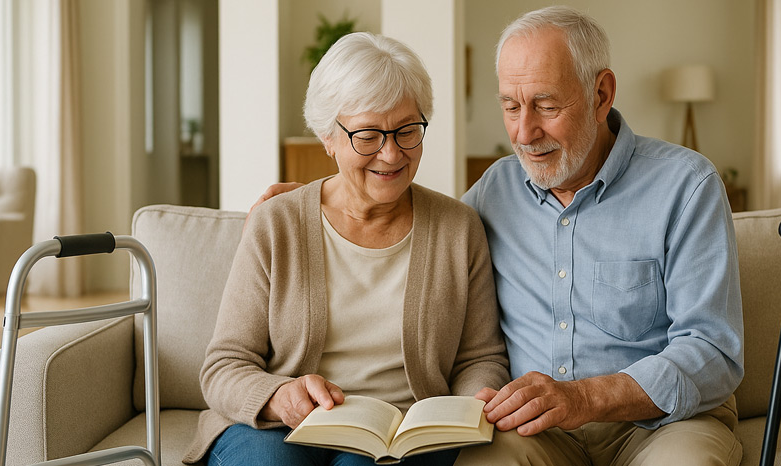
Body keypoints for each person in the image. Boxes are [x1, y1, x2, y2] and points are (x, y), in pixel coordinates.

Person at [251, 7, 744, 465]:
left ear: (601, 95)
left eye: (545, 105)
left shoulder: (686, 186)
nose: (525, 132)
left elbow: (714, 352)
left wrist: (586, 397)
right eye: (511, 106)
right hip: (535, 430)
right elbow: (418, 223)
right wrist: (330, 197)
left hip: (662, 424)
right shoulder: (495, 191)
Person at [183, 32, 510, 466]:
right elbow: (225, 365)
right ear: (328, 137)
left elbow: (480, 357)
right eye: (369, 135)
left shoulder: (458, 228)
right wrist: (280, 397)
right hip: (284, 427)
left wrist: (472, 403)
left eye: (407, 130)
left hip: (405, 428)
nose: (391, 154)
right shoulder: (276, 223)